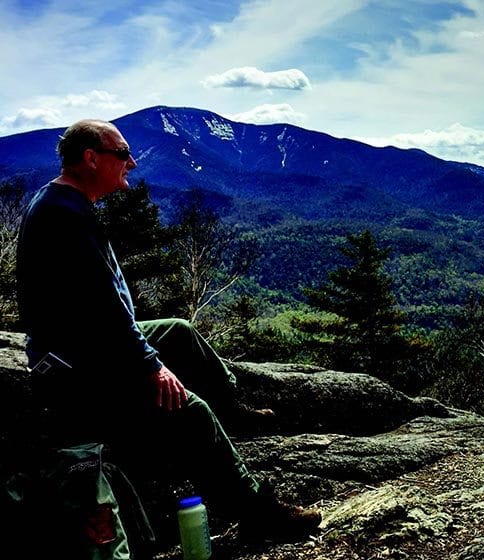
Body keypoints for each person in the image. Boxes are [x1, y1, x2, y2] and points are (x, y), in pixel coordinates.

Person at [15, 119, 321, 548]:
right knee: (191, 412)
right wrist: (150, 365)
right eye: (122, 155)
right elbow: (103, 312)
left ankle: (231, 412)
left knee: (178, 331)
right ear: (90, 158)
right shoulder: (65, 217)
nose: (133, 163)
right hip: (78, 368)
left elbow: (98, 311)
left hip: (84, 345)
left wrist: (147, 351)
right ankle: (255, 512)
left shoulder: (60, 203)